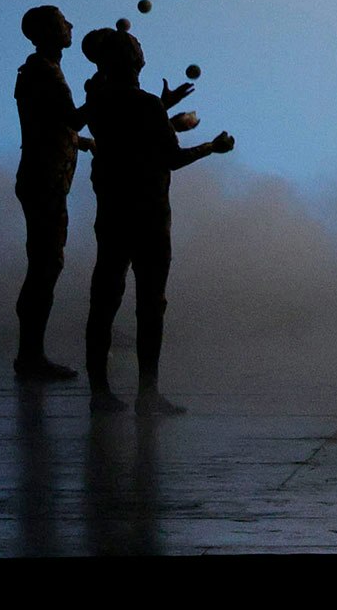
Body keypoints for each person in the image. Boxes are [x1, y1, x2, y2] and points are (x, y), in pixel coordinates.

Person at [80, 27, 229, 415]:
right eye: (137, 46)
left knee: (105, 299)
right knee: (150, 303)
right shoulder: (144, 105)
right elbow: (171, 158)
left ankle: (99, 390)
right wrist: (213, 146)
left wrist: (164, 109)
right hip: (148, 214)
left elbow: (126, 133)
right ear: (133, 60)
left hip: (112, 210)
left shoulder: (98, 99)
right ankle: (148, 393)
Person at [12, 5, 89, 380]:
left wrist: (80, 141)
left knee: (45, 264)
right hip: (44, 182)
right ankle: (30, 356)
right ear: (45, 31)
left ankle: (31, 354)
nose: (70, 24)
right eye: (63, 21)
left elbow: (55, 124)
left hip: (46, 180)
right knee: (45, 266)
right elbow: (70, 117)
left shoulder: (43, 70)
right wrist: (109, 91)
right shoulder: (43, 72)